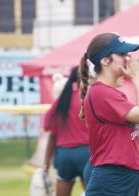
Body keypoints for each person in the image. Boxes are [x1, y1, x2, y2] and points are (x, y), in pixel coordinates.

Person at [79, 32, 139, 196]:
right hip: (112, 178)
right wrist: (138, 78)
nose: (128, 59)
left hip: (120, 177)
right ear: (105, 60)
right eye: (122, 54)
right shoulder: (102, 93)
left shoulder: (111, 94)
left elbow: (135, 139)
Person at [44, 67, 90, 196]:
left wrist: (46, 164)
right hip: (86, 153)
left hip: (64, 155)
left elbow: (52, 135)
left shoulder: (62, 101)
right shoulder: (90, 99)